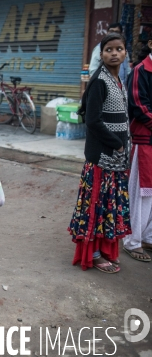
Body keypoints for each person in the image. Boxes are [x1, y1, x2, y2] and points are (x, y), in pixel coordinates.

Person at [69, 32, 132, 273]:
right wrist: (117, 144)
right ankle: (93, 254)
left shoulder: (118, 81)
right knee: (95, 205)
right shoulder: (99, 82)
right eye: (108, 50)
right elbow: (93, 121)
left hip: (116, 158)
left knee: (110, 206)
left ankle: (105, 249)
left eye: (119, 49)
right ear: (101, 54)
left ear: (126, 53)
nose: (114, 53)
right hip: (102, 157)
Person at [124, 38, 152, 262]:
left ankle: (148, 237)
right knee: (141, 194)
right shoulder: (140, 71)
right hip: (144, 140)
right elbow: (139, 105)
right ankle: (133, 241)